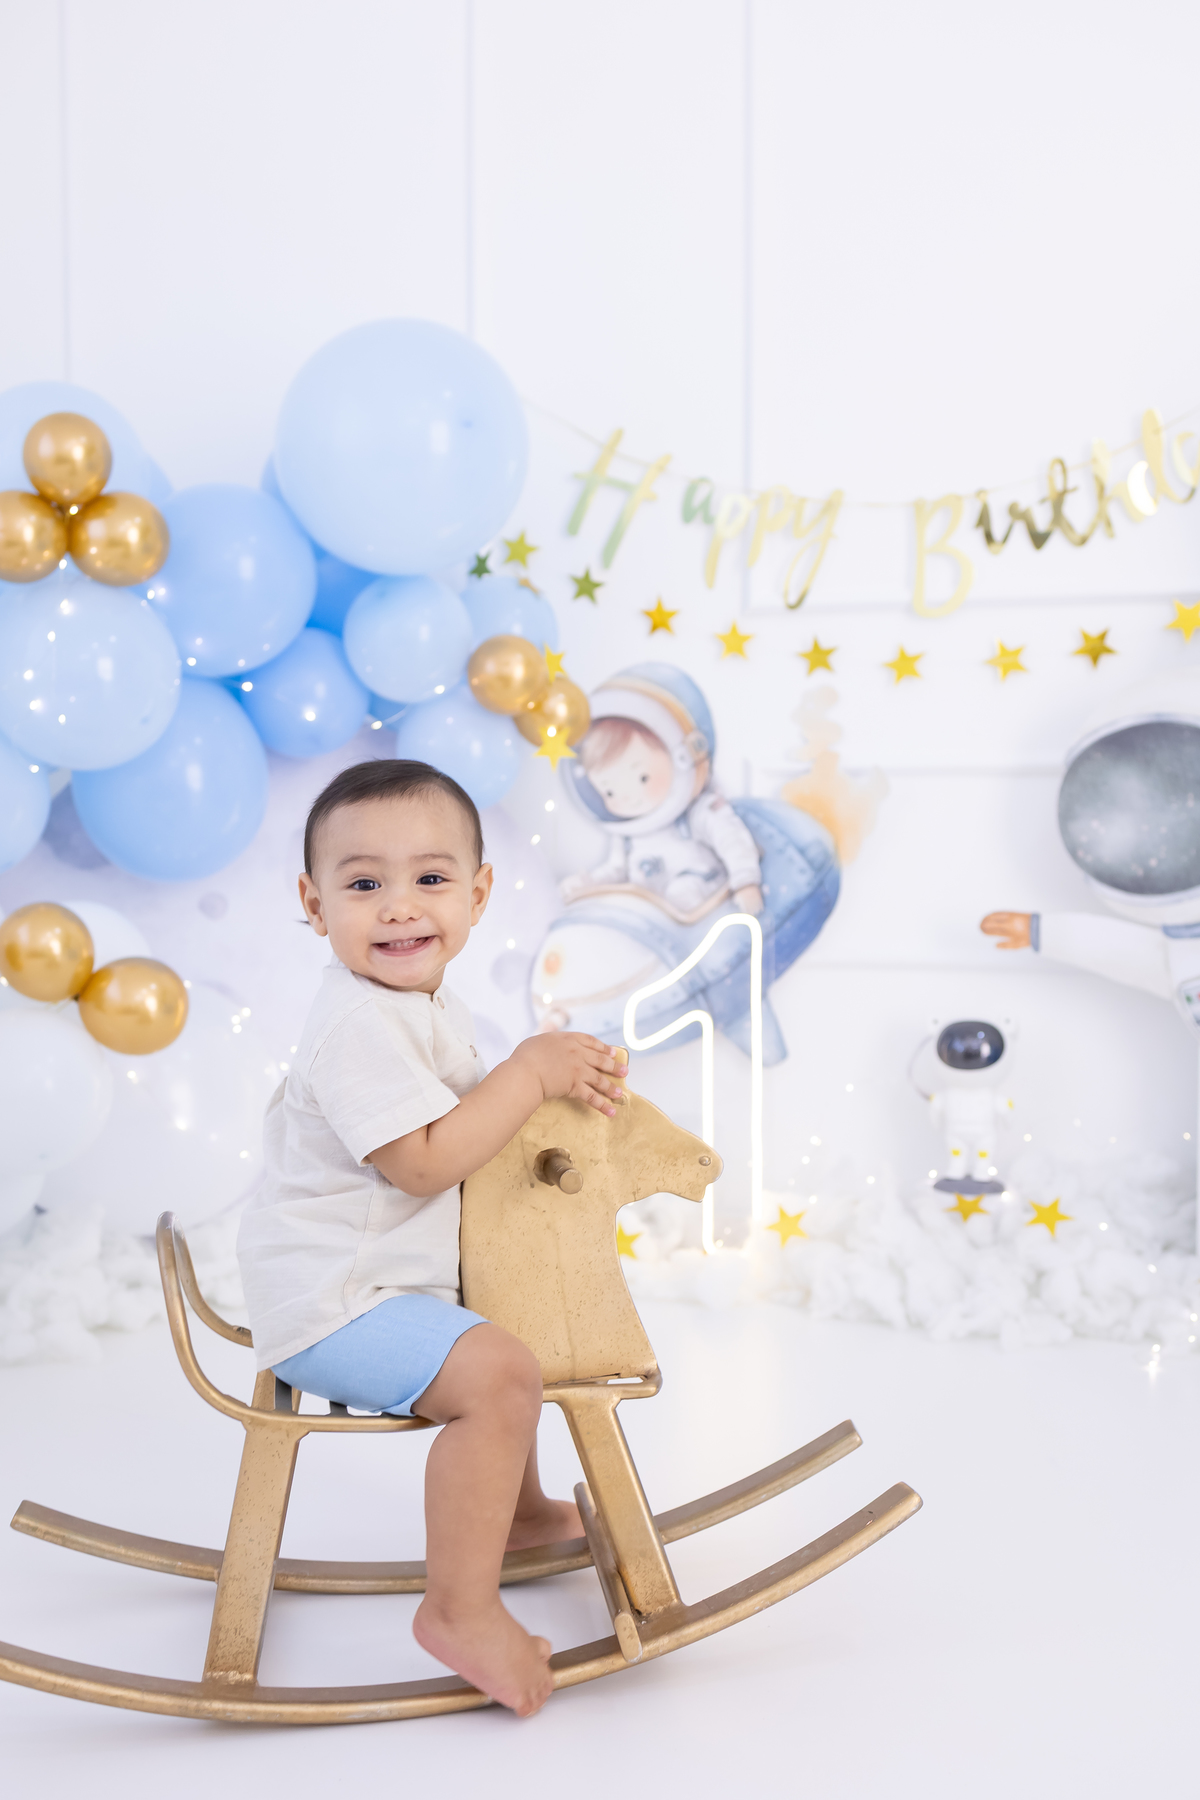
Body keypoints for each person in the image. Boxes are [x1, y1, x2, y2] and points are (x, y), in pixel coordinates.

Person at [236, 759, 627, 1718]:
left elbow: (471, 1123)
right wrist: (529, 1074)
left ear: (479, 894)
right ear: (313, 903)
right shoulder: (361, 1022)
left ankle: (525, 1517)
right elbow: (419, 1162)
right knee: (497, 1375)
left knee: (509, 1320)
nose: (400, 908)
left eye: (432, 879)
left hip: (374, 1280)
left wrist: (558, 1087)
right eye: (364, 883)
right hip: (337, 1301)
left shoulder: (417, 1003)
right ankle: (460, 1609)